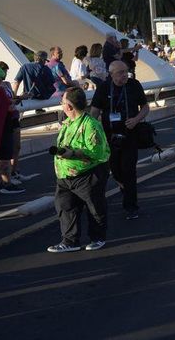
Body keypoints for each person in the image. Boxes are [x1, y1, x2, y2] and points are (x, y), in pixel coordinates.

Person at [47, 87, 111, 253]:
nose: (61, 105)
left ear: (69, 106)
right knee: (65, 207)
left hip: (87, 175)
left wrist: (72, 153)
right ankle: (70, 241)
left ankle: (97, 238)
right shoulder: (67, 123)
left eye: (62, 102)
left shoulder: (91, 125)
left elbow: (97, 152)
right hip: (65, 176)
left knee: (94, 207)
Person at [90, 60, 149, 220]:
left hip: (130, 134)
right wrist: (89, 131)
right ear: (111, 75)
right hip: (109, 136)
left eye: (126, 72)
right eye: (120, 73)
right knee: (115, 171)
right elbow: (94, 111)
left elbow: (145, 107)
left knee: (129, 170)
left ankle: (131, 206)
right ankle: (125, 188)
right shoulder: (103, 88)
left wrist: (136, 119)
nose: (125, 75)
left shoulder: (134, 85)